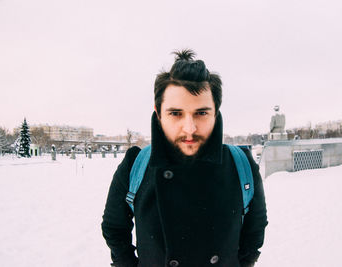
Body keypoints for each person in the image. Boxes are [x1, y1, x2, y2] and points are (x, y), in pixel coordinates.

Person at [101, 49, 268, 267]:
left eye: (201, 113)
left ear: (215, 113)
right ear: (158, 113)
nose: (189, 128)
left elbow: (254, 233)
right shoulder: (136, 165)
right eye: (176, 113)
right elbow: (115, 229)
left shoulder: (241, 165)